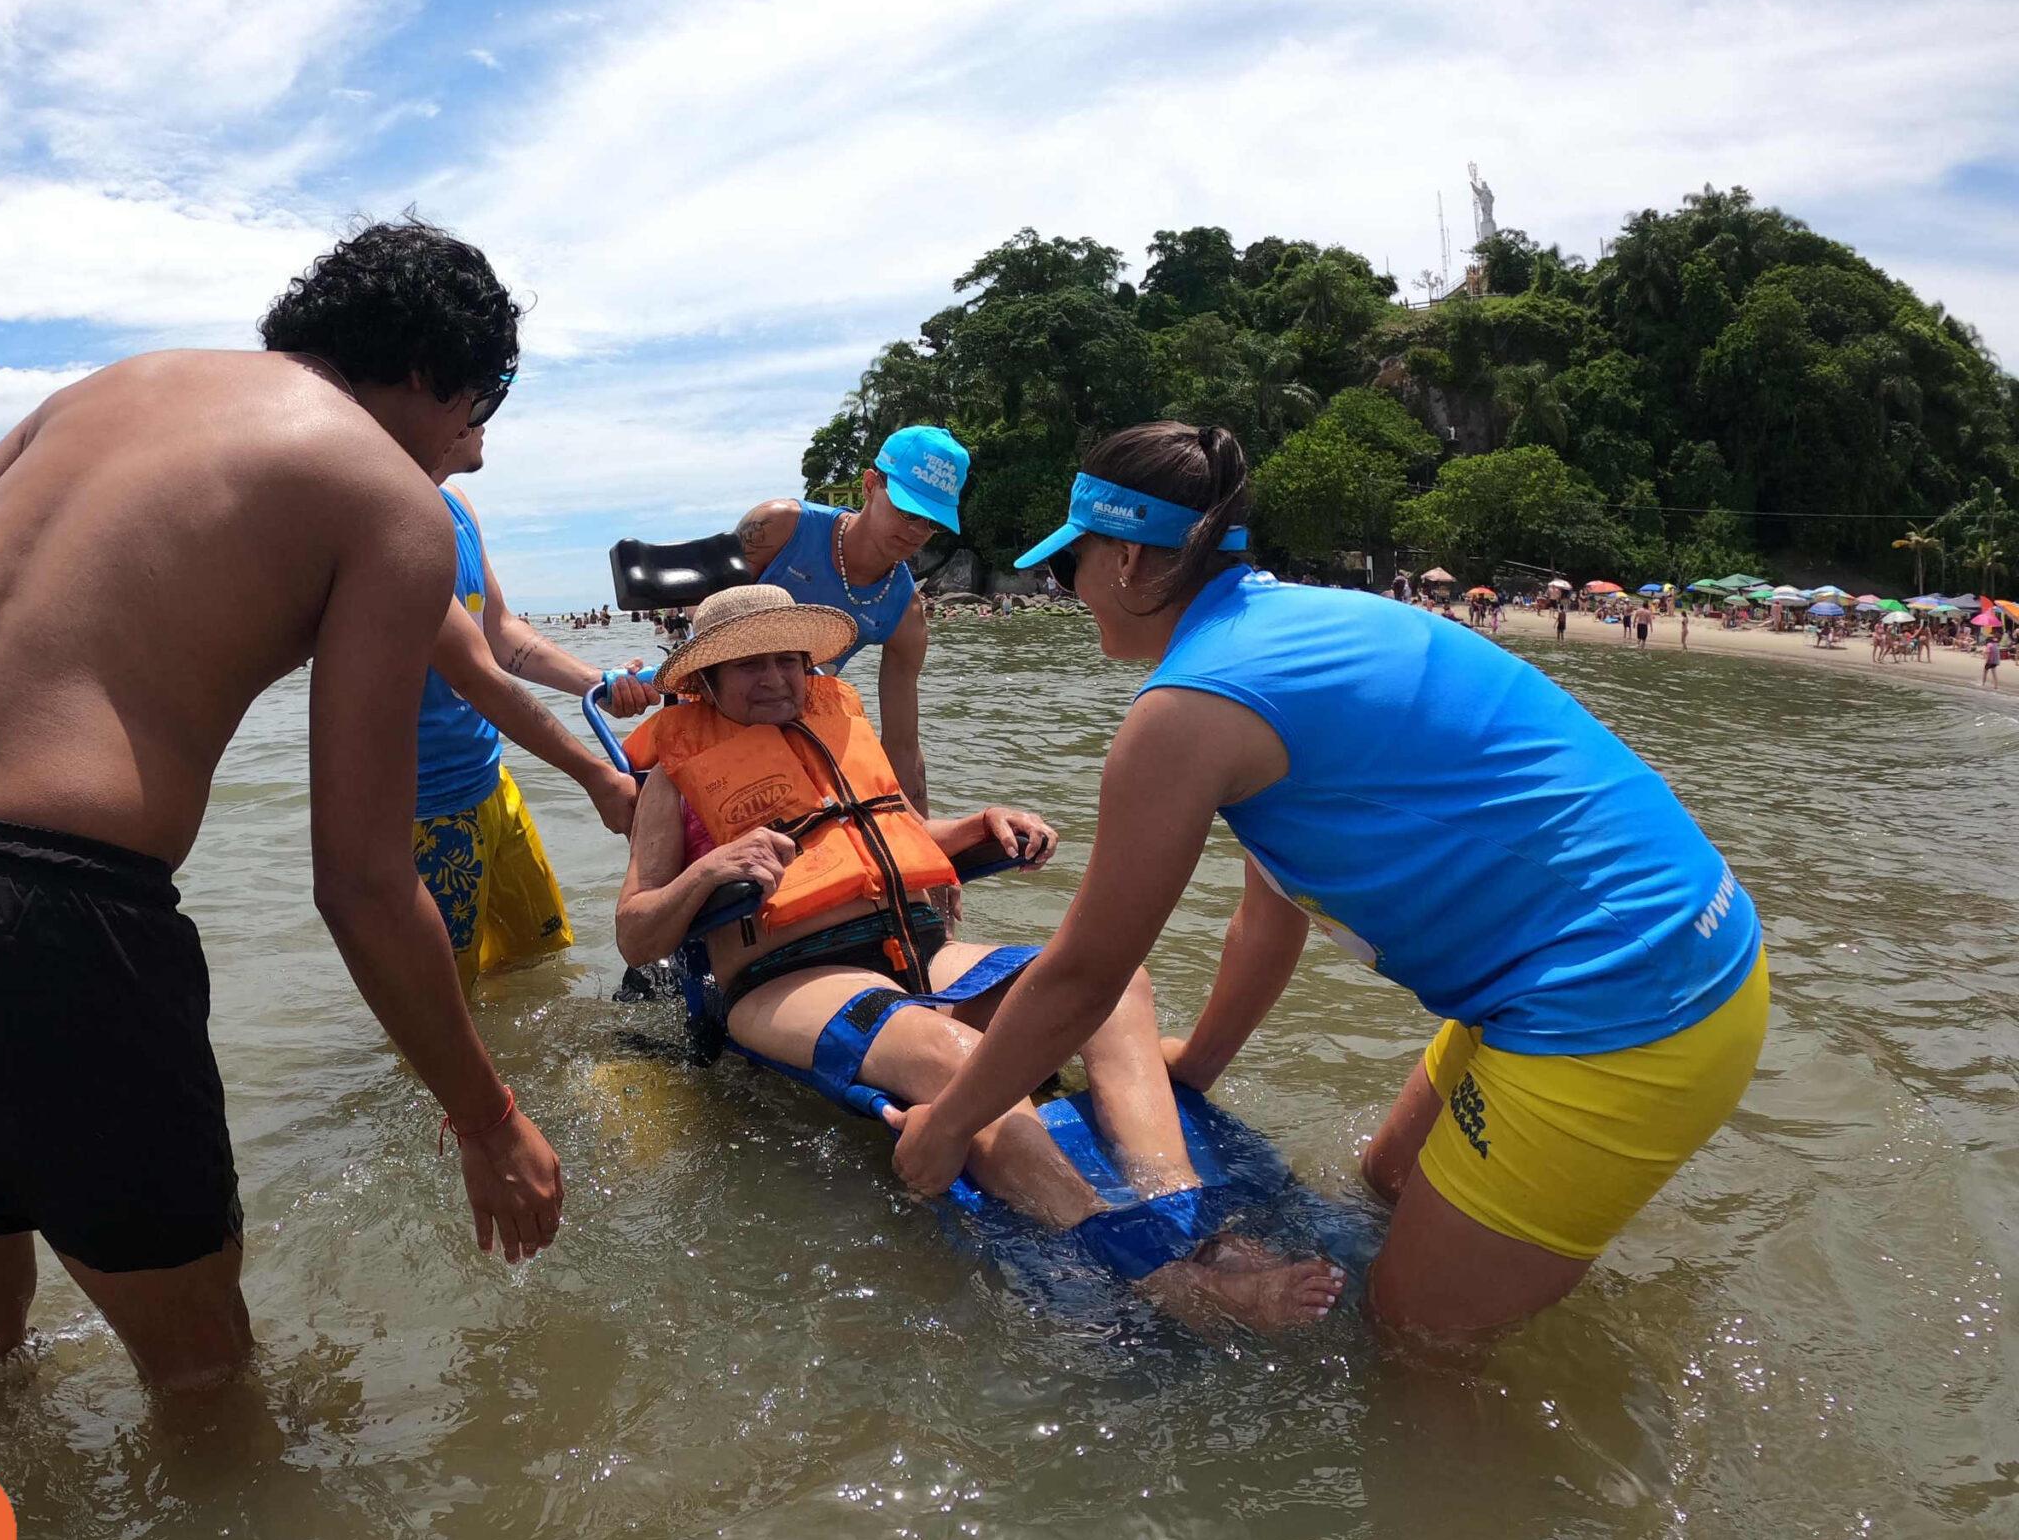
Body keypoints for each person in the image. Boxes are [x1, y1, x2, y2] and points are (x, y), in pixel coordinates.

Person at [0, 219, 563, 1390]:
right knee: (202, 1379)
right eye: (480, 406)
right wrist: (487, 1118)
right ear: (429, 371)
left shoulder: (101, 390)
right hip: (47, 923)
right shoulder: (388, 500)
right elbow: (359, 880)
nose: (474, 453)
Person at [889, 421, 1768, 1336]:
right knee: (1387, 1182)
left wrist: (947, 1126)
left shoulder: (1186, 711)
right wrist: (1198, 1065)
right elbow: (1269, 920)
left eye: (1070, 564)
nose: (1068, 590)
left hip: (1625, 1007)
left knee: (1413, 1340)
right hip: (1690, 943)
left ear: (1124, 558)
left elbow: (1084, 972)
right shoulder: (1293, 631)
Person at [613, 585, 1342, 1331]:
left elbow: (900, 835)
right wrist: (708, 870)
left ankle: (1189, 1218)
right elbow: (636, 933)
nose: (775, 678)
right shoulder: (674, 778)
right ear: (706, 680)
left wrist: (983, 824)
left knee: (1116, 987)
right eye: (749, 665)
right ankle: (1152, 1270)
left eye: (787, 660)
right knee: (955, 1058)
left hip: (917, 950)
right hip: (789, 975)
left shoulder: (836, 730)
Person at [412, 419, 658, 985]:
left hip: (490, 782)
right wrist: (596, 775)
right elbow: (476, 674)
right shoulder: (390, 516)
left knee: (542, 956)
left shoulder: (456, 506)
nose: (486, 420)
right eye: (485, 393)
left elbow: (498, 632)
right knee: (444, 995)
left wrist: (599, 682)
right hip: (421, 811)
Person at [725, 426, 969, 813]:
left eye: (932, 523)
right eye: (908, 512)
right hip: (722, 702)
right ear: (870, 485)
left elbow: (903, 745)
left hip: (797, 724)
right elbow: (701, 607)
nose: (916, 532)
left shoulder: (905, 613)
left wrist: (924, 836)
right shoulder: (779, 527)